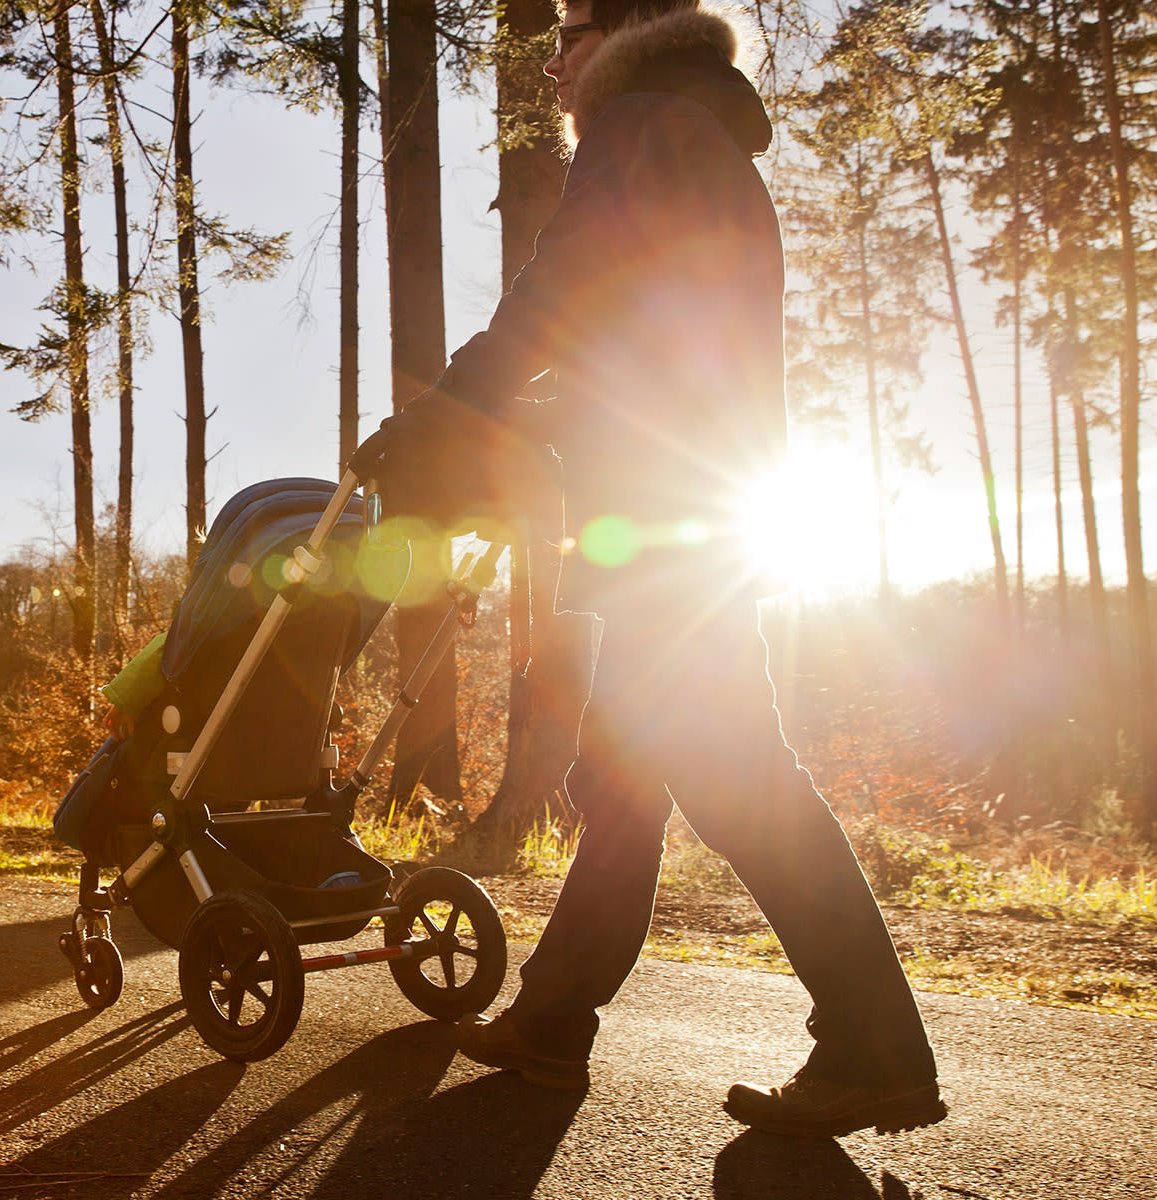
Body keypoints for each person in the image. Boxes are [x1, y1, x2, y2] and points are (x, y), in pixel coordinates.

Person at [353, 0, 945, 1138]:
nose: (558, 54)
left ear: (625, 26)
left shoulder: (640, 123)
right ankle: (554, 1017)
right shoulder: (701, 136)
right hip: (700, 505)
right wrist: (513, 429)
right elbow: (644, 337)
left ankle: (876, 1043)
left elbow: (564, 292)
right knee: (624, 781)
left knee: (734, 779)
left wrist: (449, 407)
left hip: (677, 519)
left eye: (573, 29)